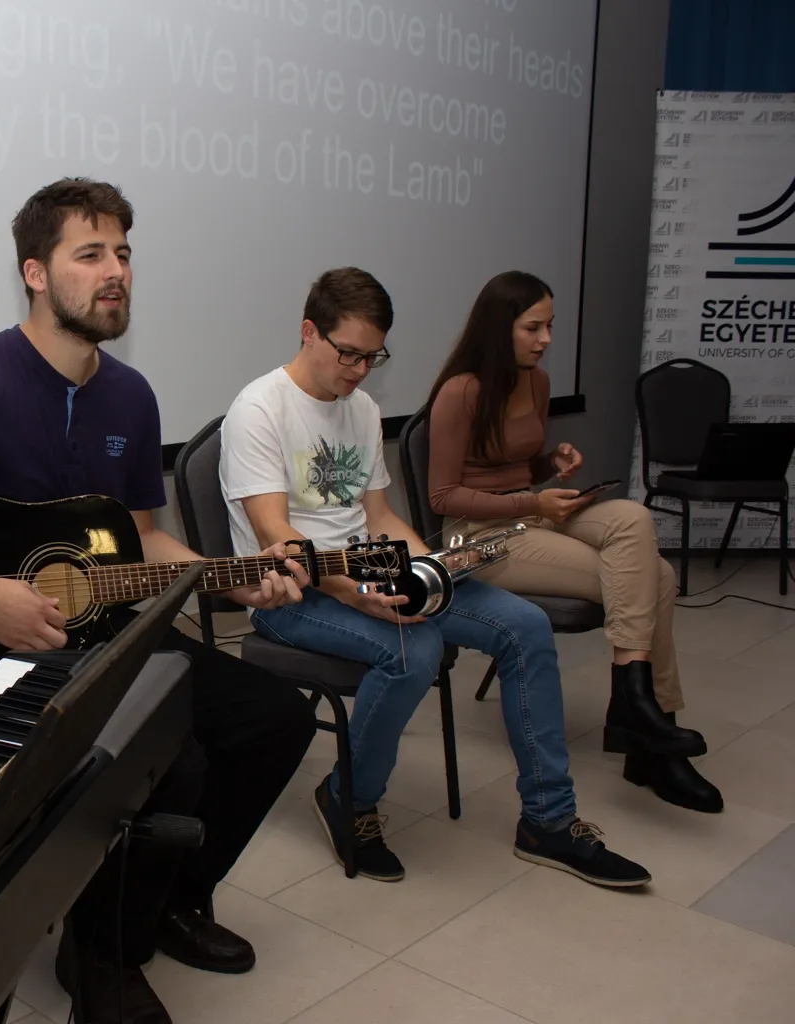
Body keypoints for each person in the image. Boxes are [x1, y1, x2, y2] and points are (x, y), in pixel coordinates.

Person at [0, 178, 318, 1024]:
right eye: (90, 254)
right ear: (35, 273)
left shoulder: (131, 397)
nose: (115, 272)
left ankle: (165, 903)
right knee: (164, 752)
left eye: (123, 254)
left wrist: (230, 574)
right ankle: (100, 959)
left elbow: (137, 539)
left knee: (275, 721)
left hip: (97, 632)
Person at [221, 266, 651, 888]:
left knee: (525, 625)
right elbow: (277, 540)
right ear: (309, 332)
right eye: (349, 354)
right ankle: (349, 799)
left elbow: (380, 516)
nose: (361, 371)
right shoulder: (259, 409)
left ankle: (549, 823)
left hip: (371, 566)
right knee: (411, 646)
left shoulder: (362, 407)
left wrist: (430, 567)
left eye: (374, 357)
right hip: (292, 591)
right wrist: (359, 592)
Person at [426, 270, 721, 813]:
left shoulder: (535, 382)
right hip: (480, 538)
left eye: (550, 326)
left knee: (631, 516)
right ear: (500, 328)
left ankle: (636, 704)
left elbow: (518, 465)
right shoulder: (460, 391)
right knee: (658, 578)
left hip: (532, 513)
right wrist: (531, 503)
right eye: (533, 327)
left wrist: (550, 463)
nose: (545, 339)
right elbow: (444, 497)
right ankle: (648, 732)